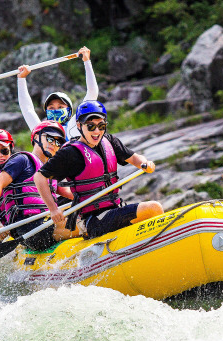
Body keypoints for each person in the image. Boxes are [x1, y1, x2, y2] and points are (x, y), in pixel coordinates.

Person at [33, 100, 164, 239]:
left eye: (101, 126)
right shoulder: (70, 153)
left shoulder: (109, 141)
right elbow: (39, 177)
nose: (97, 131)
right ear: (79, 125)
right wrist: (53, 209)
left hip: (114, 210)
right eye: (90, 126)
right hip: (94, 219)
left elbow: (134, 158)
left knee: (150, 211)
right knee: (153, 208)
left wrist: (145, 163)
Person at [0, 121, 78, 251]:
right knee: (88, 225)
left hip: (45, 223)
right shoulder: (22, 160)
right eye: (49, 138)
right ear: (36, 138)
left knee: (85, 216)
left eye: (58, 142)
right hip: (30, 228)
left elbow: (72, 194)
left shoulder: (51, 171)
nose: (53, 144)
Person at [17, 46, 97, 141]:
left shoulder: (75, 126)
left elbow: (92, 93)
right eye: (51, 108)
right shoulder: (42, 131)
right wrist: (21, 79)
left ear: (69, 111)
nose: (55, 110)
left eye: (60, 107)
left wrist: (87, 61)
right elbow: (27, 109)